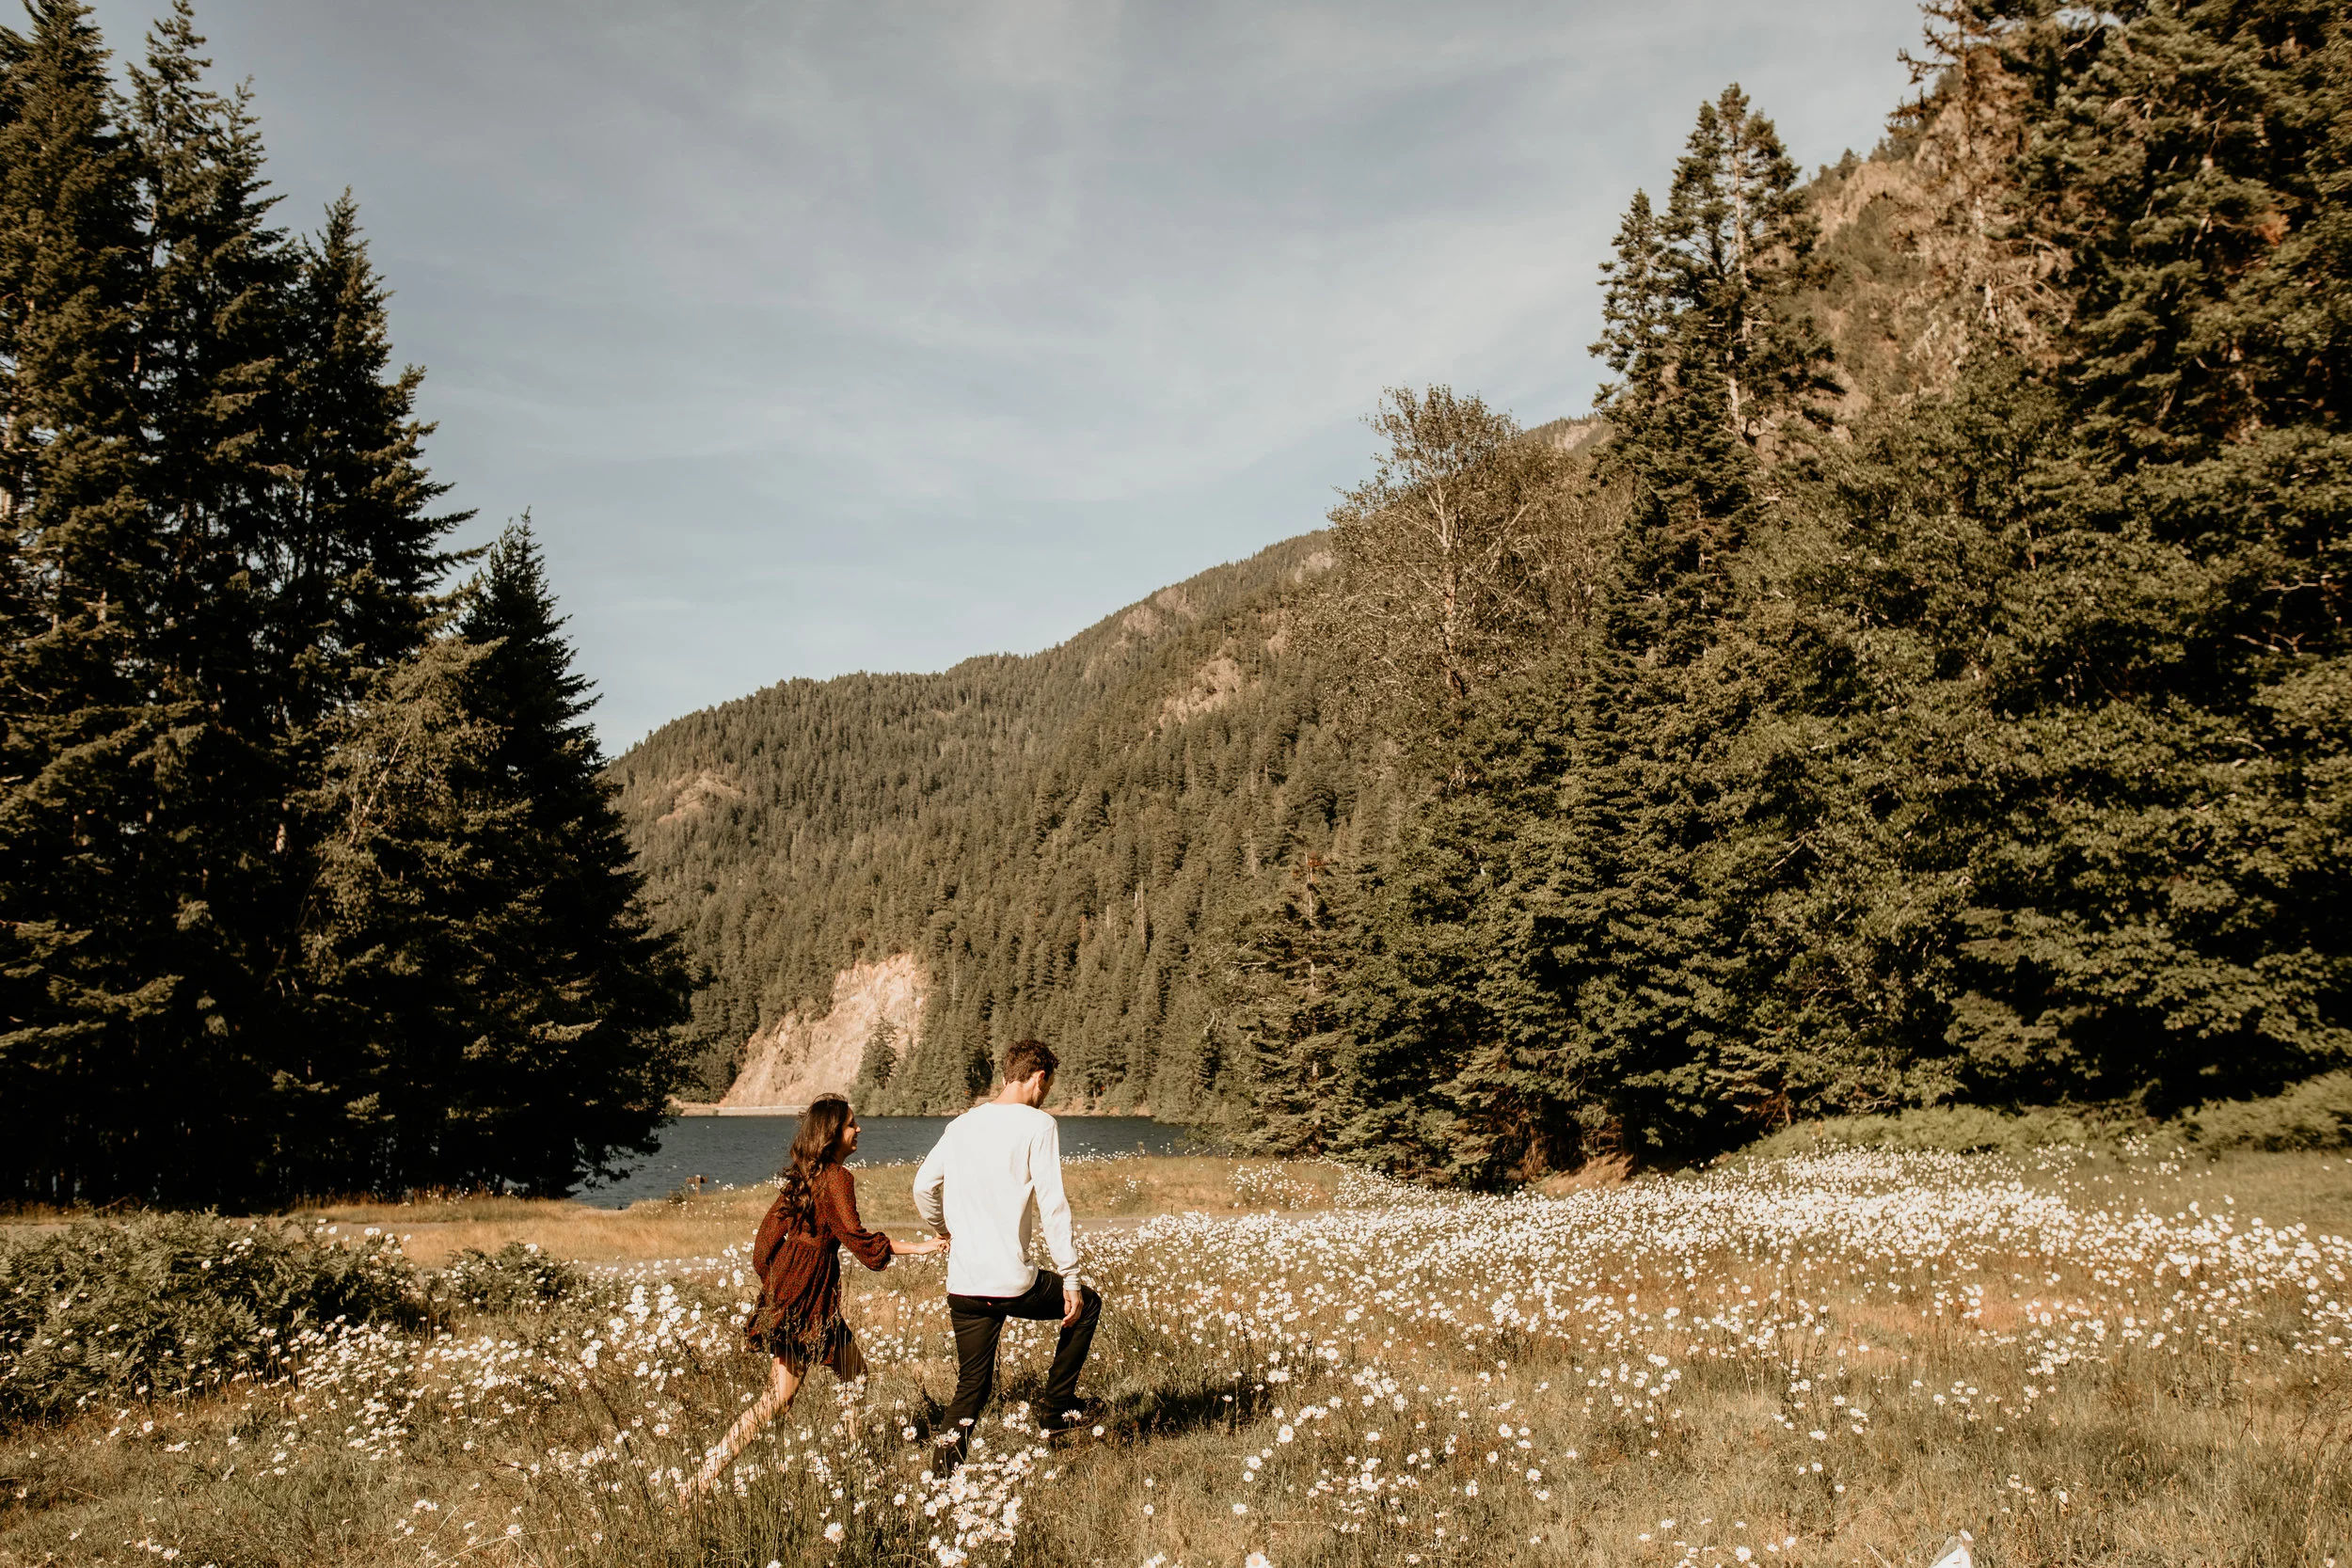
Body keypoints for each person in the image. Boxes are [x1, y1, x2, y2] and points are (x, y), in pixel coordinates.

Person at [685, 1095, 946, 1497]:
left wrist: (777, 1285)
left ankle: (854, 1463)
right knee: (780, 1399)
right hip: (808, 1295)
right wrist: (919, 1247)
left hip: (802, 1291)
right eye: (851, 1125)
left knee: (854, 1375)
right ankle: (702, 1479)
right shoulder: (838, 1177)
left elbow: (763, 1243)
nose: (858, 1130)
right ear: (831, 1134)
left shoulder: (805, 1174)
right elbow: (854, 1236)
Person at [913, 1037, 1102, 1463]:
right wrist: (1069, 1276)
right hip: (1013, 1283)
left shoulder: (960, 1125)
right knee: (1086, 1306)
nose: (1045, 1095)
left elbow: (923, 1186)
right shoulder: (1038, 1125)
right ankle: (1057, 1409)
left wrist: (942, 1229)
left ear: (1004, 1075)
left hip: (964, 1284)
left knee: (971, 1389)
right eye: (1047, 1086)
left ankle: (941, 1482)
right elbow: (1053, 1205)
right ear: (1038, 1077)